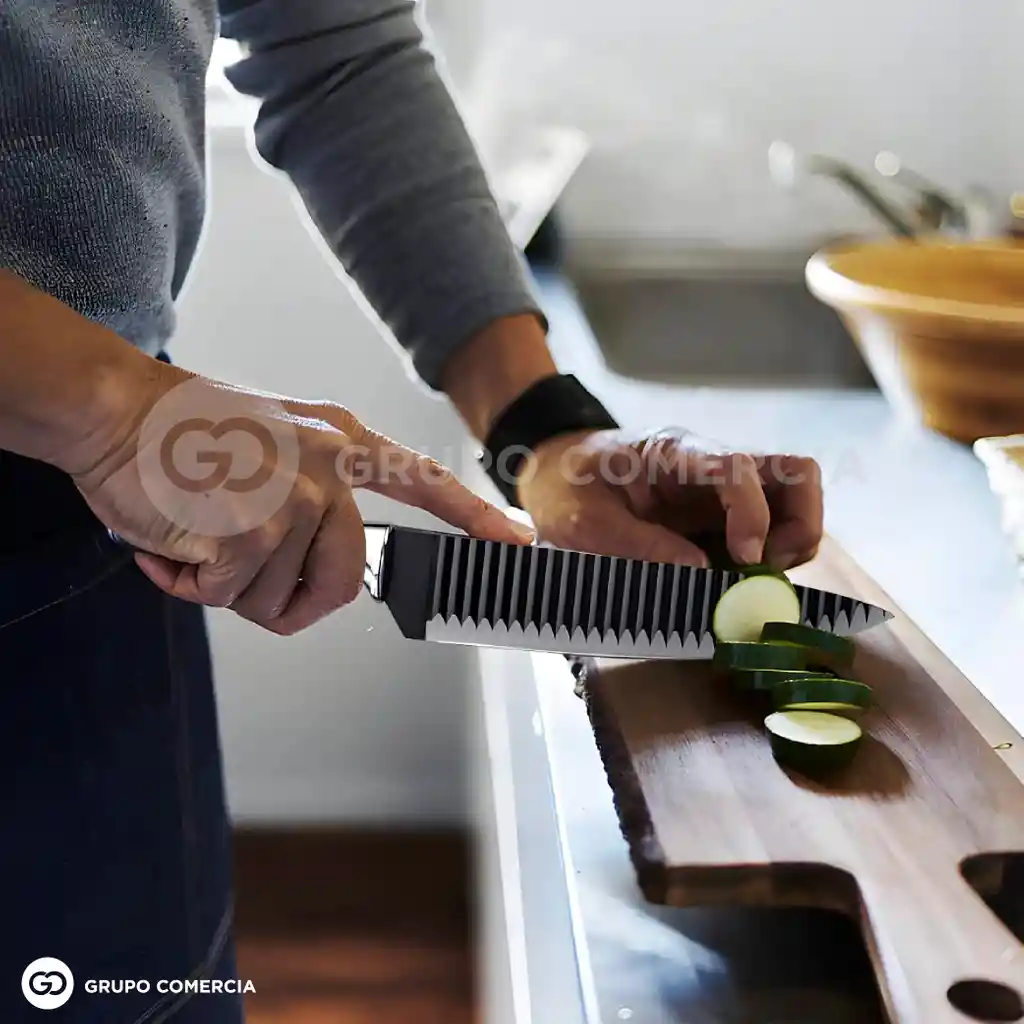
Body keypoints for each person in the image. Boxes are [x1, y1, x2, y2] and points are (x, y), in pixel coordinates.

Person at [0, 1, 823, 1020]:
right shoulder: (124, 428)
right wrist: (109, 411)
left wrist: (544, 426)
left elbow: (334, 50)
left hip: (101, 532)